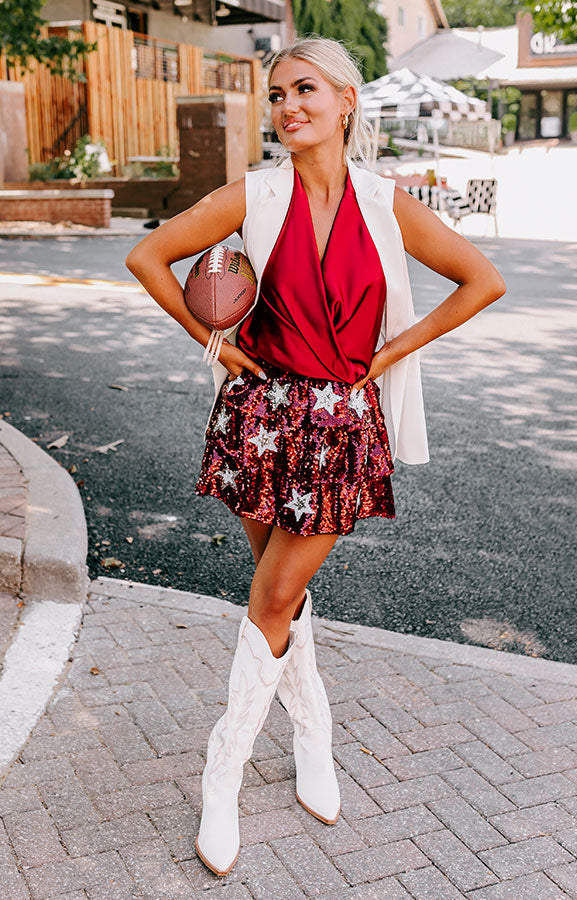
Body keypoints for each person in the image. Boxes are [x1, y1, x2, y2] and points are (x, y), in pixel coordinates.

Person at [125, 35, 506, 877]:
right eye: (276, 94)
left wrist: (394, 349)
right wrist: (211, 344)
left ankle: (220, 778)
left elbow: (483, 280)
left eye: (304, 90)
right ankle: (313, 744)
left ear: (345, 101)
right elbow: (148, 256)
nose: (287, 106)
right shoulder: (256, 194)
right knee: (278, 599)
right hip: (261, 417)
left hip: (341, 427)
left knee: (277, 594)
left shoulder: (384, 202)